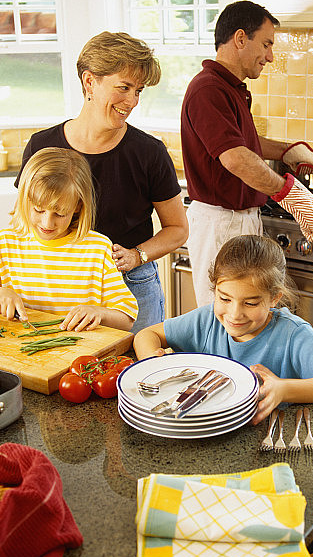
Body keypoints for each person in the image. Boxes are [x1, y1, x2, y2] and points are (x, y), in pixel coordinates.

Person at [134, 234, 313, 557]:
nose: (234, 314)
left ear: (275, 298)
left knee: (282, 552)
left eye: (251, 302)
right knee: (230, 544)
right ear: (214, 290)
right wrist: (156, 360)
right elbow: (148, 334)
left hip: (277, 461)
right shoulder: (206, 321)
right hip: (217, 459)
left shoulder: (293, 334)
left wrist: (285, 388)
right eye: (225, 298)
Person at [18, 31, 188, 332]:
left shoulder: (149, 152)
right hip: (58, 284)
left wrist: (138, 255)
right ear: (89, 82)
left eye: (138, 91)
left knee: (135, 372)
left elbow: (177, 230)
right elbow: (23, 219)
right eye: (123, 88)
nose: (132, 101)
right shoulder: (40, 147)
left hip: (131, 285)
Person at [180, 0, 313, 306]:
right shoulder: (209, 90)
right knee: (223, 319)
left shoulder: (230, 88)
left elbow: (245, 142)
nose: (270, 56)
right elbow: (236, 158)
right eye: (266, 44)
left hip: (240, 219)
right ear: (241, 38)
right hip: (221, 223)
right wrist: (292, 196)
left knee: (250, 317)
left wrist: (290, 152)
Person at [0, 147, 138, 332]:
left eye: (60, 213)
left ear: (77, 206)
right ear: (25, 200)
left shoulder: (98, 249)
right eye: (38, 210)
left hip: (79, 355)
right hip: (17, 354)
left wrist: (99, 313)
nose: (47, 223)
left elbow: (127, 318)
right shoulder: (4, 244)